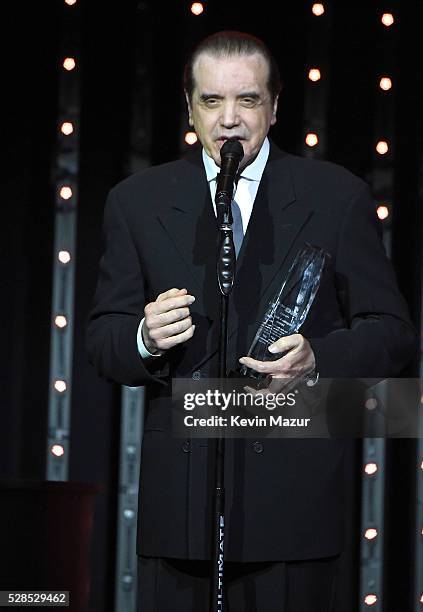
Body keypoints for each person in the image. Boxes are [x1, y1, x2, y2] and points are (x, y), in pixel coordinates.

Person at [87, 31, 417, 611]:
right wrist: (143, 337)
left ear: (275, 106)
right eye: (211, 102)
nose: (229, 120)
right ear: (188, 106)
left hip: (291, 505)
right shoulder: (136, 200)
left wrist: (320, 359)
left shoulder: (336, 196)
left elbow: (391, 333)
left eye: (247, 101)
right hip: (181, 508)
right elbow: (102, 339)